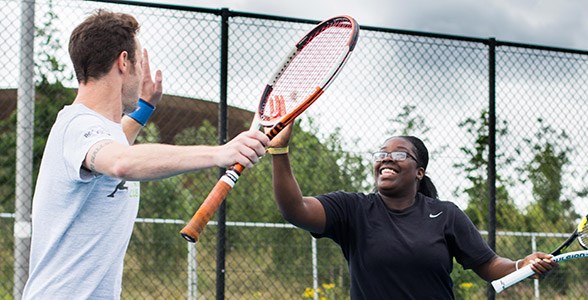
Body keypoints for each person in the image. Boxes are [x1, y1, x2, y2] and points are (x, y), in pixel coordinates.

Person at [22, 10, 269, 299]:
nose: (142, 76)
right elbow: (121, 162)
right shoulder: (79, 126)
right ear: (123, 62)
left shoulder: (95, 131)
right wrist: (220, 153)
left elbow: (114, 146)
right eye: (139, 63)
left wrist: (145, 106)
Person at [268, 124, 558, 299]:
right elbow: (295, 209)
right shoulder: (353, 209)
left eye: (398, 154)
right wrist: (279, 151)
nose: (386, 159)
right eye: (382, 153)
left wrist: (522, 265)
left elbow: (490, 265)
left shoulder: (446, 215)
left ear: (419, 171)